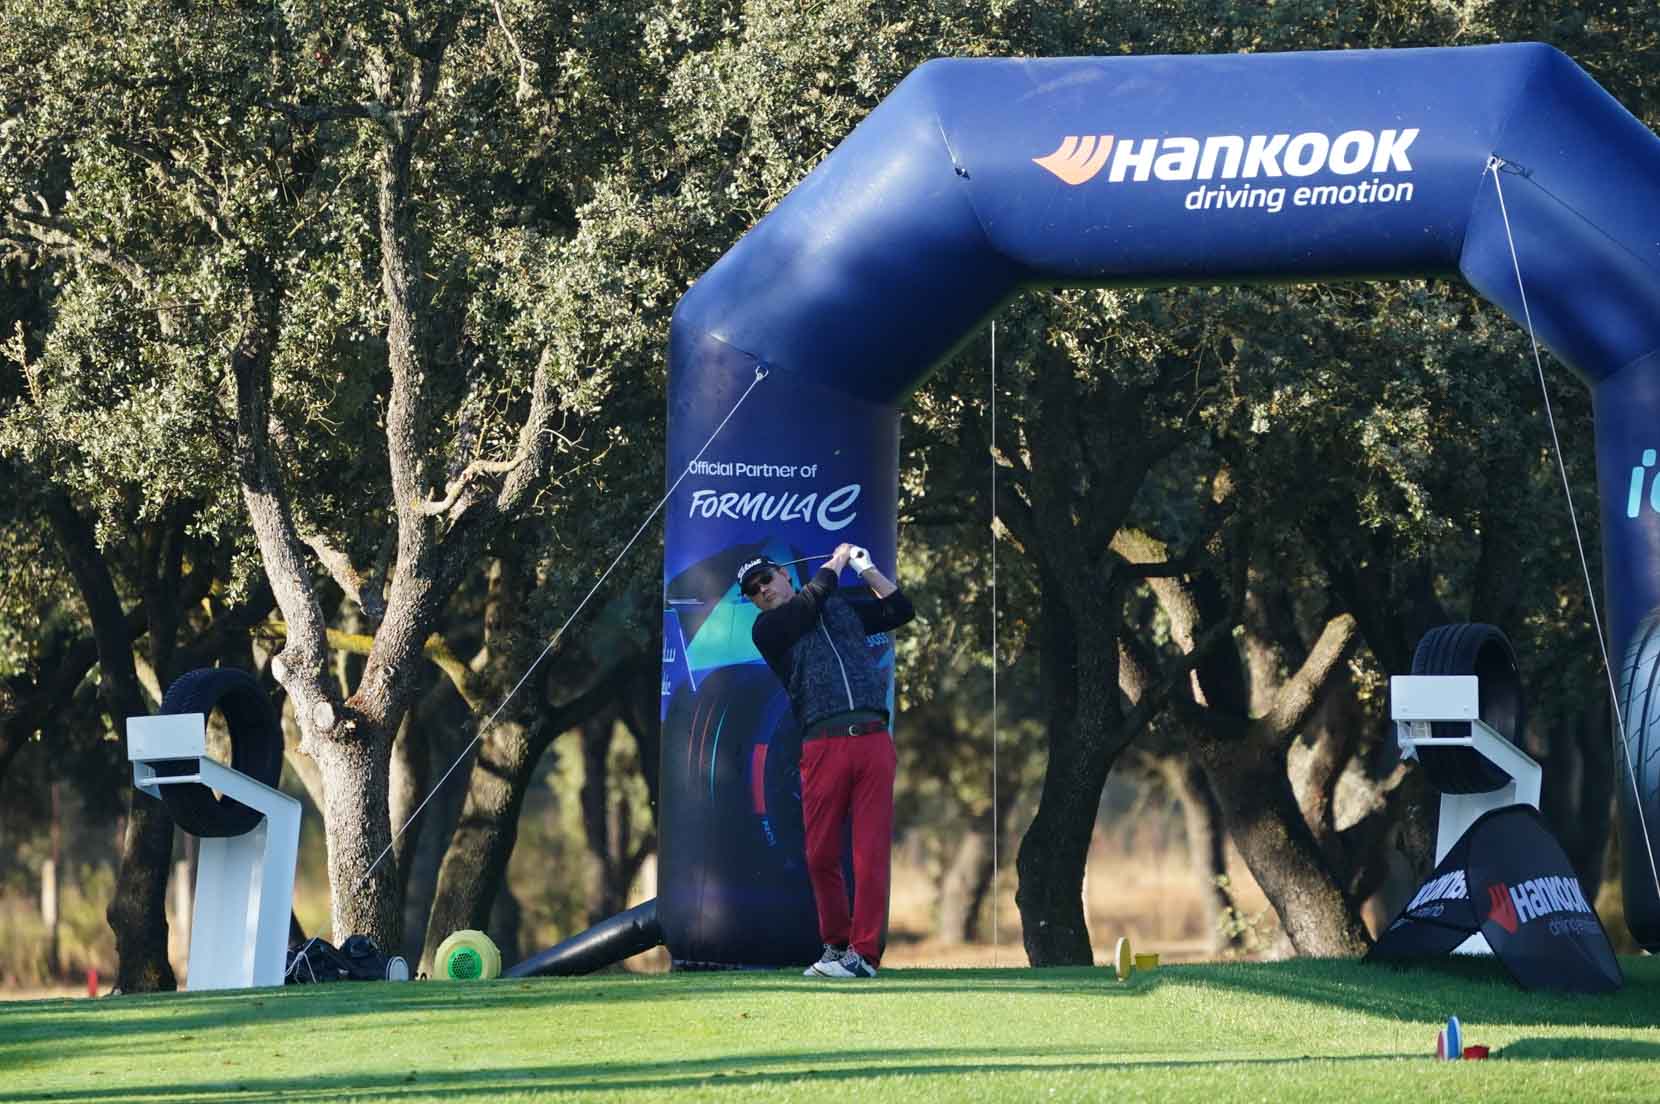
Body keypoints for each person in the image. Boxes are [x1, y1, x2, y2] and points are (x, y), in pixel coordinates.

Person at [740, 542, 914, 979]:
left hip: (873, 740)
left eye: (766, 579)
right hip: (822, 744)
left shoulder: (840, 606)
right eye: (753, 589)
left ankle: (864, 956)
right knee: (820, 854)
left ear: (784, 574)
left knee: (869, 853)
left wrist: (868, 569)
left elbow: (899, 610)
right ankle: (836, 946)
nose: (763, 590)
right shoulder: (770, 628)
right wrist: (834, 564)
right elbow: (807, 606)